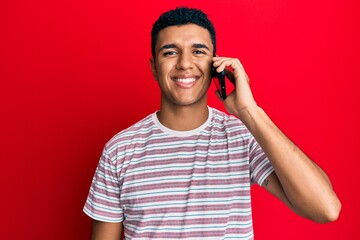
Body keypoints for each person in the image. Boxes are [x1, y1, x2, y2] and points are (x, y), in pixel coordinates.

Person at [83, 7, 341, 239]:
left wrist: (249, 111)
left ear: (215, 63)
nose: (185, 63)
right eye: (170, 52)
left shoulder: (241, 136)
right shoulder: (119, 150)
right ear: (153, 66)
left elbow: (325, 209)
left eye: (198, 51)